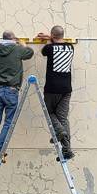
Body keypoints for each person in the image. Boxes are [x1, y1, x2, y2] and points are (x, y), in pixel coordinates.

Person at [0, 30, 34, 161]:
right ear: (13, 38)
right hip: (11, 90)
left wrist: (15, 42)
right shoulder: (17, 49)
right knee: (8, 122)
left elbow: (3, 47)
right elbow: (30, 53)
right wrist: (23, 44)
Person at [38, 25, 75, 160]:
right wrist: (51, 37)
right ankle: (67, 150)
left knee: (49, 112)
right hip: (66, 89)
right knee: (63, 118)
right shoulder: (71, 47)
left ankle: (60, 133)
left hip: (52, 89)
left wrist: (48, 39)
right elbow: (59, 43)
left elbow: (45, 51)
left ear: (52, 35)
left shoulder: (49, 48)